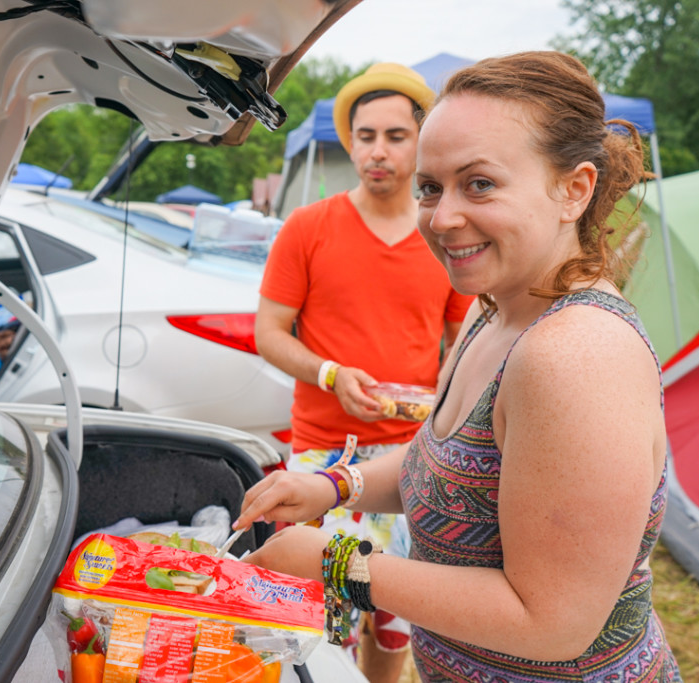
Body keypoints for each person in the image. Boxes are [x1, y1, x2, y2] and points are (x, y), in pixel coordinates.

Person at [237, 51, 682, 682]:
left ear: (574, 190)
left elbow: (552, 622)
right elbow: (439, 462)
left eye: (479, 184)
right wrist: (338, 485)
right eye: (430, 187)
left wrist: (334, 561)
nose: (442, 218)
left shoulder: (576, 356)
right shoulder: (492, 309)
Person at [254, 62, 474, 683]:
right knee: (322, 624)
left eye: (395, 136)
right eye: (366, 136)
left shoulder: (445, 234)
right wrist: (329, 374)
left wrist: (441, 399)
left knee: (395, 617)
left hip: (409, 456)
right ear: (350, 142)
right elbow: (269, 332)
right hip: (324, 455)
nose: (378, 151)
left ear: (420, 141)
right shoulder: (308, 227)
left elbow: (460, 338)